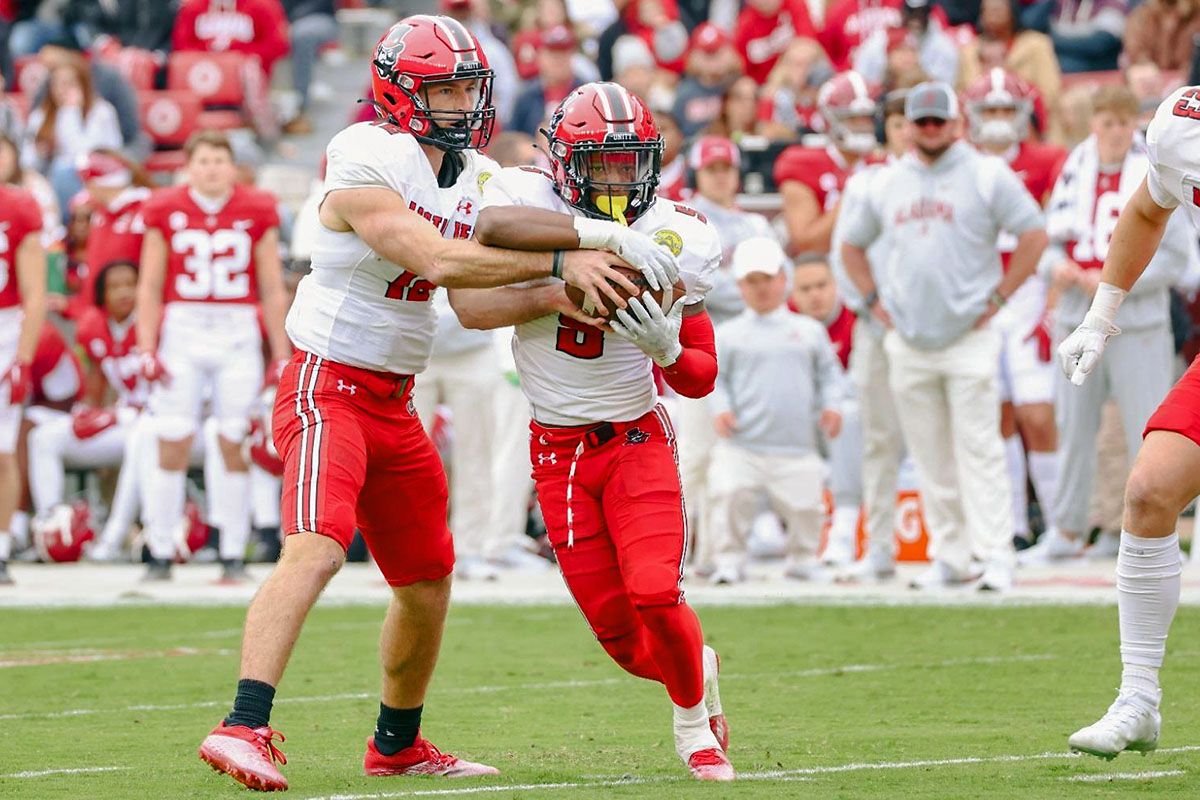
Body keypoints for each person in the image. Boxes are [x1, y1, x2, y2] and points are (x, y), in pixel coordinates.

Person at [196, 17, 668, 792]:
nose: (459, 103)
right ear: (398, 90)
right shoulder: (364, 152)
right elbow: (436, 257)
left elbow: (479, 307)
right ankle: (242, 724)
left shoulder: (477, 176)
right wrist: (572, 250)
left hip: (394, 400)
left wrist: (571, 281)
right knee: (317, 542)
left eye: (466, 87)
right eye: (442, 88)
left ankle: (396, 743)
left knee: (426, 577)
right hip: (327, 385)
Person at [453, 81, 734, 782]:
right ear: (564, 163)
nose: (618, 178)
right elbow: (479, 281)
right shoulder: (527, 200)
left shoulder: (680, 231)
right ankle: (695, 667)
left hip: (635, 435)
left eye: (629, 161)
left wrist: (669, 349)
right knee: (621, 639)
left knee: (655, 593)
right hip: (558, 452)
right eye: (601, 163)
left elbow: (700, 375)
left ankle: (695, 724)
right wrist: (569, 269)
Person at [841, 81, 1048, 592]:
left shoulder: (985, 174)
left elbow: (1034, 233)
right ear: (908, 126)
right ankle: (951, 555)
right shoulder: (884, 182)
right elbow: (850, 246)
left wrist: (1000, 298)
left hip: (969, 335)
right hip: (908, 338)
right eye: (922, 121)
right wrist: (872, 302)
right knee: (929, 454)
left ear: (958, 123)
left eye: (939, 120)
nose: (930, 129)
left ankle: (996, 554)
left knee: (980, 447)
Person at [1057, 83, 1200, 760]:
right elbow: (1147, 209)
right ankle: (1138, 699)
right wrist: (1100, 314)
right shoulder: (1180, 126)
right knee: (1148, 491)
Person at [1025, 85, 1193, 563]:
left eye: (1123, 123)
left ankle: (1144, 533)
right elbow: (1049, 240)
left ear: (1132, 125)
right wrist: (1058, 268)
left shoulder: (1159, 160)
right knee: (1073, 426)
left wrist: (1113, 281)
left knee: (1150, 428)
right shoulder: (1075, 168)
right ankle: (1067, 527)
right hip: (1079, 313)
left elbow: (1176, 255)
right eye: (1106, 122)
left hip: (1138, 320)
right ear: (1092, 123)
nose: (1115, 132)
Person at [963, 69, 1066, 550]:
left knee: (1037, 413)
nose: (1000, 121)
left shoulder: (1047, 160)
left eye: (1008, 110)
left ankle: (1060, 523)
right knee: (995, 415)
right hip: (981, 292)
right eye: (991, 111)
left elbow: (1054, 232)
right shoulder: (961, 165)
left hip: (1027, 293)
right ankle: (1011, 528)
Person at [708, 238, 847, 584]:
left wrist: (832, 405)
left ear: (783, 279)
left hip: (797, 446)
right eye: (752, 282)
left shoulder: (809, 332)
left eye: (767, 279)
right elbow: (717, 380)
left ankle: (803, 558)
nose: (762, 289)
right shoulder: (728, 335)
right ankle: (729, 560)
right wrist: (721, 408)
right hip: (743, 445)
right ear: (740, 286)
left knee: (807, 508)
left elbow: (830, 375)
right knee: (729, 497)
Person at [831, 89, 914, 581]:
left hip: (931, 327)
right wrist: (868, 303)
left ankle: (960, 546)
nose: (908, 133)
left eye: (915, 123)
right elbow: (844, 253)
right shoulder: (867, 183)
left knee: (941, 438)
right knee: (878, 440)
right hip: (876, 323)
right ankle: (878, 546)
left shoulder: (953, 180)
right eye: (900, 123)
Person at [680, 135, 774, 569]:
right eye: (713, 169)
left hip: (751, 352)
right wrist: (741, 286)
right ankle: (686, 552)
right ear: (699, 173)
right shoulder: (686, 219)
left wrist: (732, 287)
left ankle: (723, 551)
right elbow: (696, 287)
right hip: (701, 348)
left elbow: (775, 283)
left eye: (726, 169)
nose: (721, 177)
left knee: (741, 452)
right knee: (693, 457)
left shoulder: (756, 225)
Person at [27, 260, 143, 527]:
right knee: (43, 438)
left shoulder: (157, 323)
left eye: (130, 284)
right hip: (123, 420)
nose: (124, 292)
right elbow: (96, 386)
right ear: (102, 294)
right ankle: (53, 525)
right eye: (115, 286)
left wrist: (120, 416)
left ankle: (119, 536)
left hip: (150, 420)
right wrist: (89, 413)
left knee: (143, 440)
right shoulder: (95, 327)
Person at [789, 254, 864, 567]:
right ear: (792, 292)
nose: (815, 295)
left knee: (849, 412)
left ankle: (845, 524)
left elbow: (861, 383)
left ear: (836, 285)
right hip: (799, 419)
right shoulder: (783, 322)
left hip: (844, 421)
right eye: (805, 288)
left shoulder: (857, 319)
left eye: (821, 285)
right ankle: (764, 522)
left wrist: (828, 403)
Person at [775, 71, 880, 256]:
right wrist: (854, 193)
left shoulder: (882, 164)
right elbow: (807, 244)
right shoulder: (801, 163)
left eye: (867, 117)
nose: (863, 125)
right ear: (829, 119)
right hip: (824, 267)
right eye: (852, 117)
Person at [0, 182, 48, 584]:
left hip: (4, 326)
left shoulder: (16, 207)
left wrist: (23, 358)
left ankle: (0, 548)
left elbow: (35, 293)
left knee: (2, 448)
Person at [20, 58, 122, 214]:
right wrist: (41, 154)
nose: (61, 90)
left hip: (97, 179)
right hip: (49, 183)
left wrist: (71, 112)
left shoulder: (102, 112)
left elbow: (86, 156)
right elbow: (27, 162)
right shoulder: (40, 116)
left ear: (83, 84)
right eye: (56, 84)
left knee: (64, 168)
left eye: (69, 84)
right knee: (58, 171)